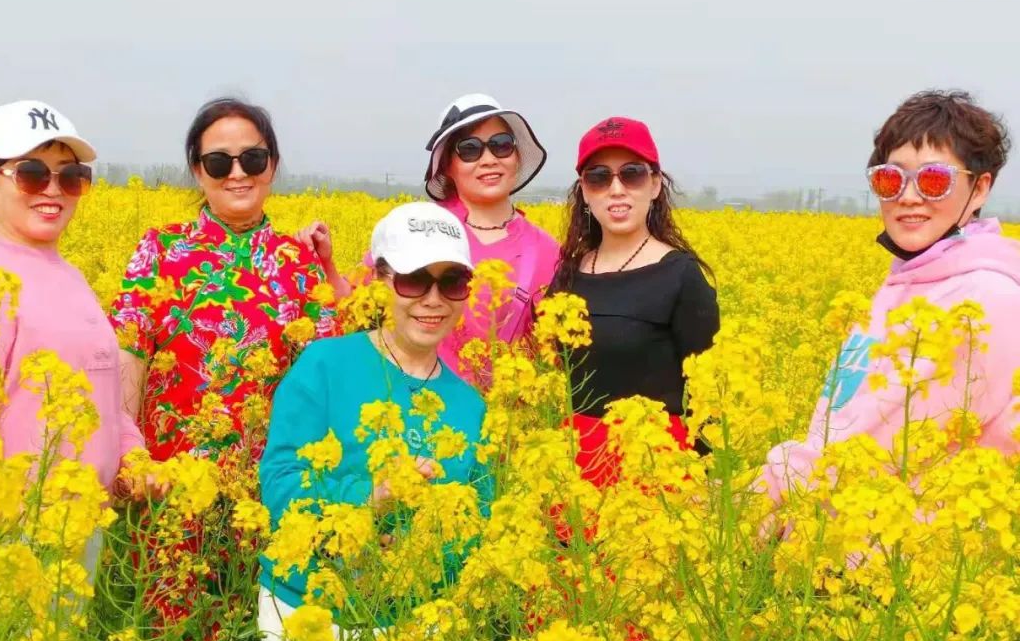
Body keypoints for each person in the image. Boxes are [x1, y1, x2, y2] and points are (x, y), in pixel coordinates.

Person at [258, 202, 486, 641]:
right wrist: (372, 495)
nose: (432, 299)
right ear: (382, 279)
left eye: (452, 281)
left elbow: (477, 525)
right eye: (414, 279)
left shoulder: (471, 407)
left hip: (419, 625)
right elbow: (281, 488)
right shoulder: (325, 364)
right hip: (313, 613)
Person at [761, 90, 1020, 504]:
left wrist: (760, 495)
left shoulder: (985, 300)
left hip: (912, 555)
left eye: (935, 179)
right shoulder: (908, 283)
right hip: (839, 536)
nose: (909, 196)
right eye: (890, 178)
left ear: (980, 188)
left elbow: (880, 449)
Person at [0, 99, 145, 573]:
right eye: (32, 173)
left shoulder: (69, 276)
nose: (53, 189)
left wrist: (131, 457)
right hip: (9, 536)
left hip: (76, 526)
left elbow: (103, 389)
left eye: (70, 176)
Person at [110, 97, 334, 466]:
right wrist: (128, 455)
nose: (238, 174)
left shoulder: (298, 261)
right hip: (166, 483)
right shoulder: (161, 249)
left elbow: (322, 375)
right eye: (218, 163)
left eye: (253, 159)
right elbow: (128, 353)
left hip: (268, 485)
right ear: (198, 171)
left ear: (272, 166)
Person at [301, 93, 560, 382]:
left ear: (517, 156)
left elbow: (553, 354)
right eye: (470, 149)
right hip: (411, 409)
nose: (489, 160)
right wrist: (325, 263)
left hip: (503, 418)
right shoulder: (414, 226)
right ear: (448, 165)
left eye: (501, 146)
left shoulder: (547, 251)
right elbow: (354, 305)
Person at [548, 116, 720, 483]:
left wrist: (705, 476)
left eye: (632, 173)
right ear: (584, 190)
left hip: (657, 469)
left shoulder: (681, 276)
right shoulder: (567, 274)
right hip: (576, 466)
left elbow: (709, 391)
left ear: (655, 184)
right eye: (598, 177)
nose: (616, 188)